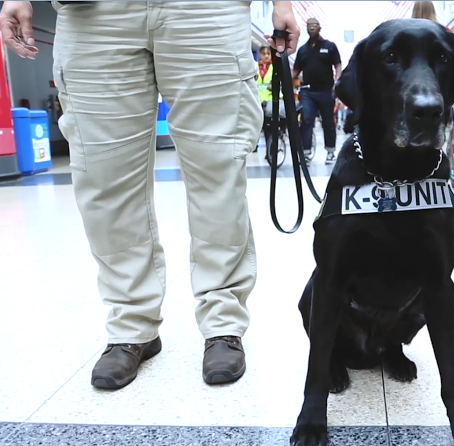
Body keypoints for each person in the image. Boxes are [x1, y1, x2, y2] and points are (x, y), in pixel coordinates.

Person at [0, 0, 299, 390]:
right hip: (95, 12)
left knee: (219, 172)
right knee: (104, 179)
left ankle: (223, 321)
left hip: (205, 10)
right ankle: (131, 323)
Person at [293, 17, 342, 165]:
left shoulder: (330, 46)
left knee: (328, 122)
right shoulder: (303, 50)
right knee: (306, 120)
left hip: (326, 91)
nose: (312, 27)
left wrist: (337, 81)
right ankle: (306, 153)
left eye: (314, 25)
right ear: (306, 29)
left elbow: (338, 65)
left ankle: (331, 151)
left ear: (320, 28)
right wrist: (283, 80)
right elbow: (295, 70)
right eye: (309, 26)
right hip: (307, 92)